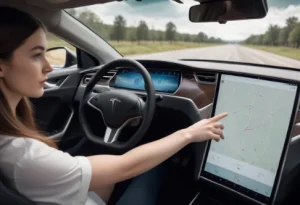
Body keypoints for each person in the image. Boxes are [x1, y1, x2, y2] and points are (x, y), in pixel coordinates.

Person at [0, 6, 228, 205]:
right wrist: (187, 134)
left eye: (47, 54)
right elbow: (125, 167)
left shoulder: (12, 145)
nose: (49, 67)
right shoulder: (24, 157)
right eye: (37, 55)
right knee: (161, 166)